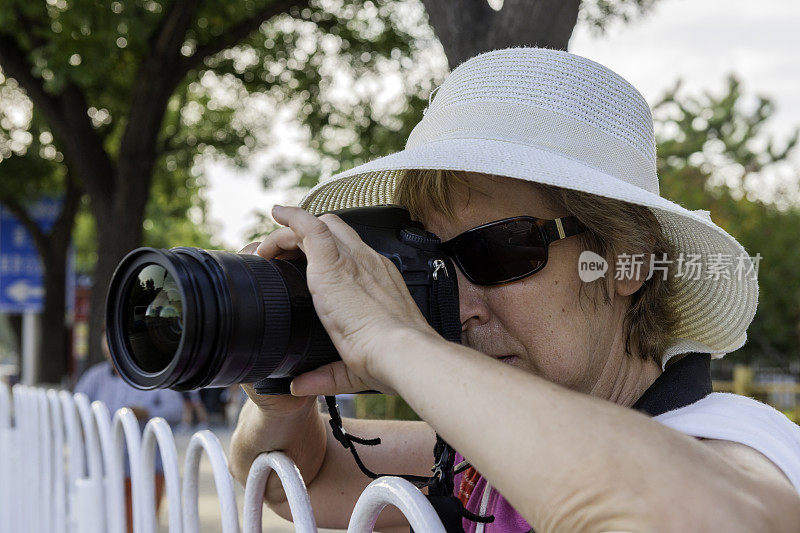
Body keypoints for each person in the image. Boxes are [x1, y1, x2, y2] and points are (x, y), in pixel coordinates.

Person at [229, 48, 800, 532]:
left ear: (629, 259)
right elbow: (299, 478)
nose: (459, 304)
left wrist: (395, 341)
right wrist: (282, 378)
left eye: (497, 252)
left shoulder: (735, 441)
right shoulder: (488, 457)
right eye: (434, 263)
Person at [75, 327, 184, 532]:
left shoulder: (155, 373)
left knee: (140, 524)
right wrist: (86, 429)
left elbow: (176, 410)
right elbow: (75, 411)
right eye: (108, 338)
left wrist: (146, 412)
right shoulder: (94, 377)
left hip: (146, 468)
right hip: (104, 469)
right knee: (105, 523)